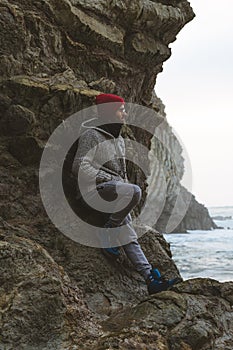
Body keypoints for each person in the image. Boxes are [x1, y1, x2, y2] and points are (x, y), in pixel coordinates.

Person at [72, 93, 180, 294]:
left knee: (129, 235)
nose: (125, 113)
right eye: (121, 110)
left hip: (116, 193)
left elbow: (120, 173)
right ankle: (107, 231)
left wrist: (119, 184)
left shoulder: (118, 138)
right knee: (135, 191)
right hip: (93, 192)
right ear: (109, 112)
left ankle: (150, 279)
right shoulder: (90, 135)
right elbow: (79, 166)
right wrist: (107, 178)